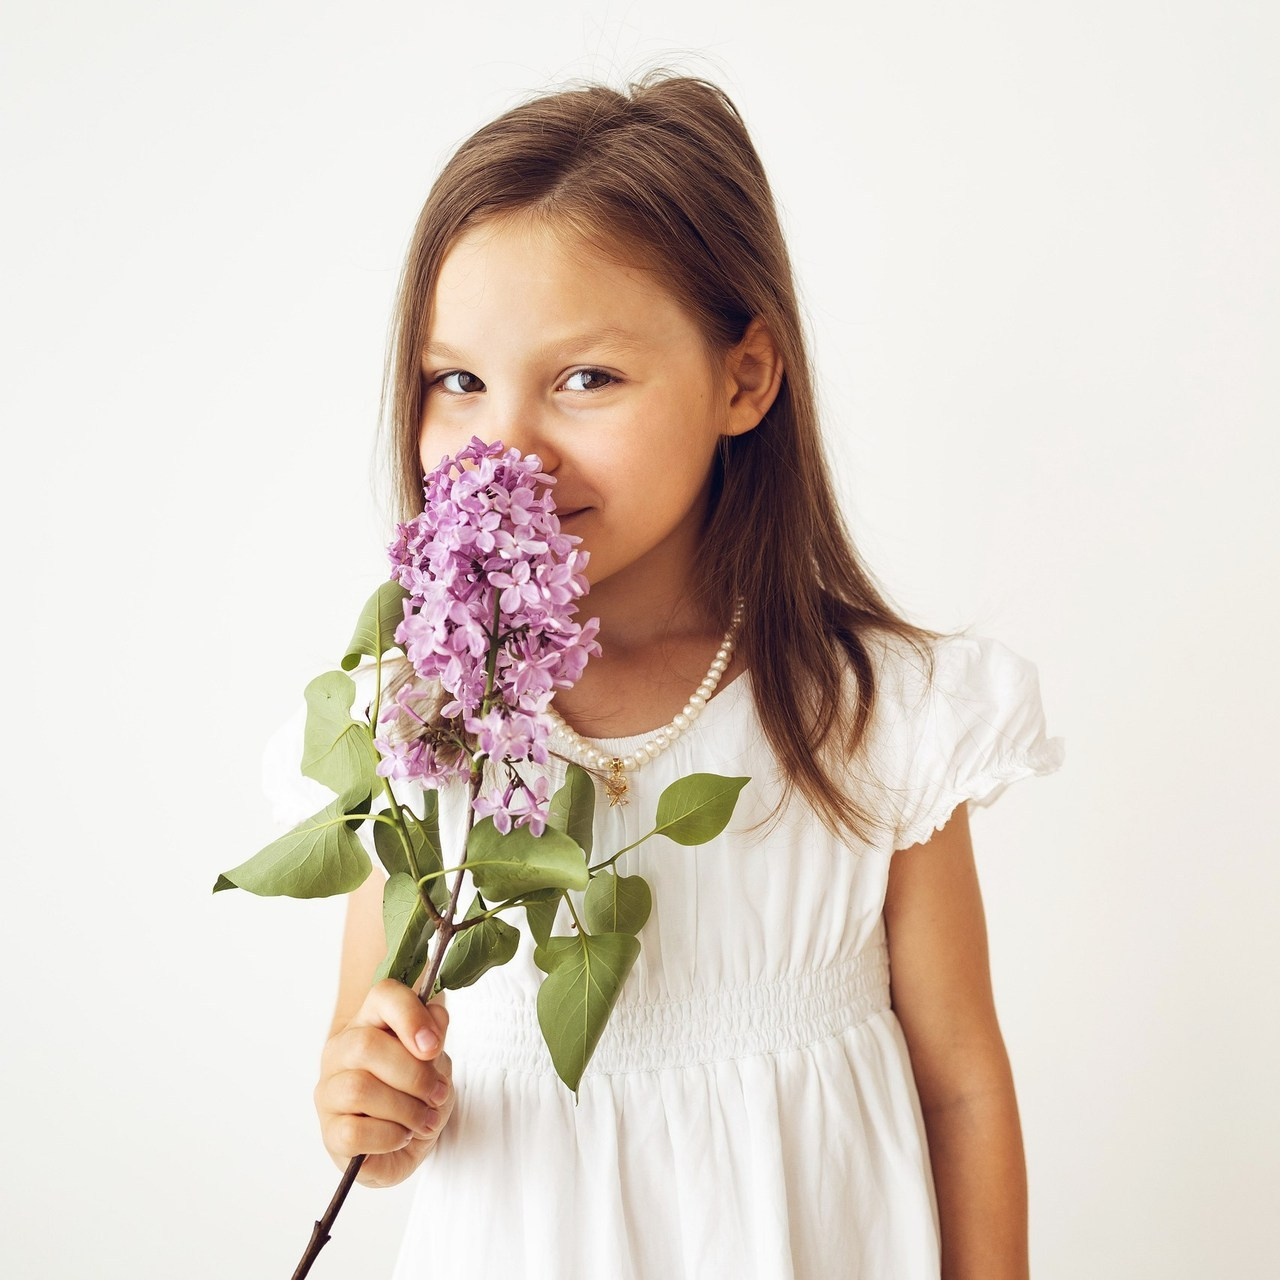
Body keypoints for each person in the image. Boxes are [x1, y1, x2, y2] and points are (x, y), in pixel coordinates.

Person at [262, 71, 1065, 1279]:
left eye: (584, 378)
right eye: (457, 380)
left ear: (743, 377)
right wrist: (371, 1111)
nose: (506, 447)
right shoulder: (419, 721)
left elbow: (958, 1082)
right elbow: (373, 1079)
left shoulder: (865, 713)